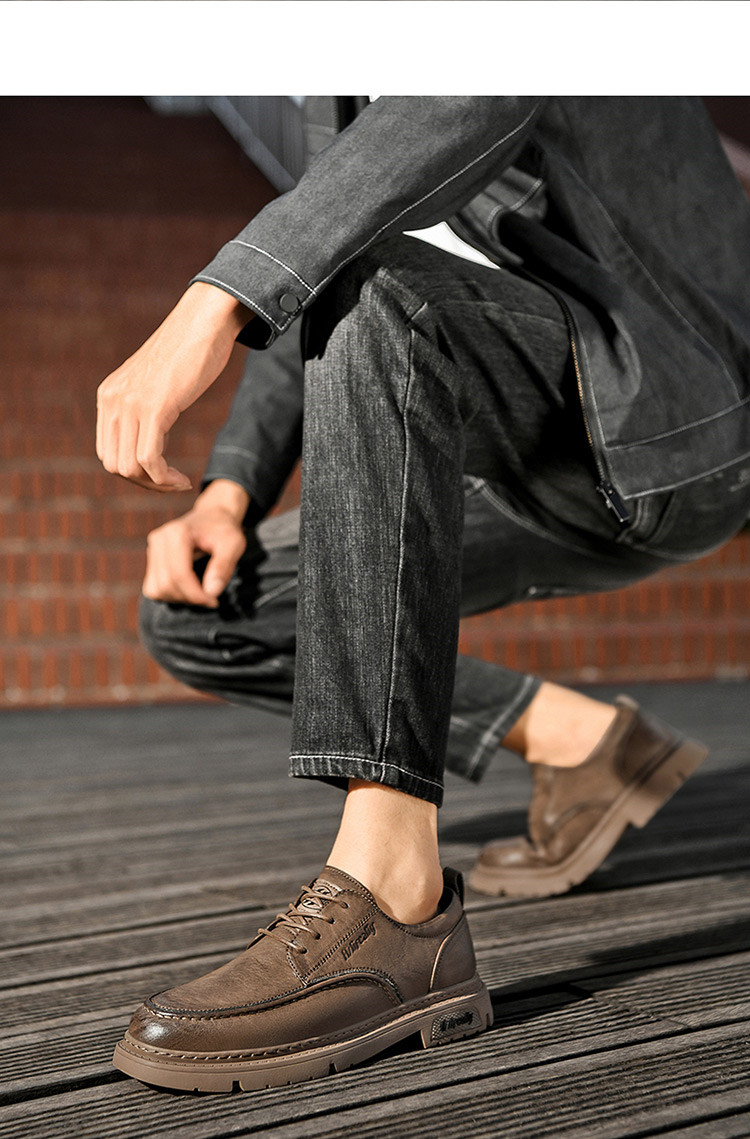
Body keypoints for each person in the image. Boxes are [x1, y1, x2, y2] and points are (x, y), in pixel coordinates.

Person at [96, 97, 750, 1093]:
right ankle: (582, 741)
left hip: (677, 425)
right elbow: (330, 235)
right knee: (202, 608)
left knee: (382, 290)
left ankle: (396, 899)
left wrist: (219, 296)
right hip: (530, 453)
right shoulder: (342, 90)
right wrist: (227, 497)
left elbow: (476, 88)